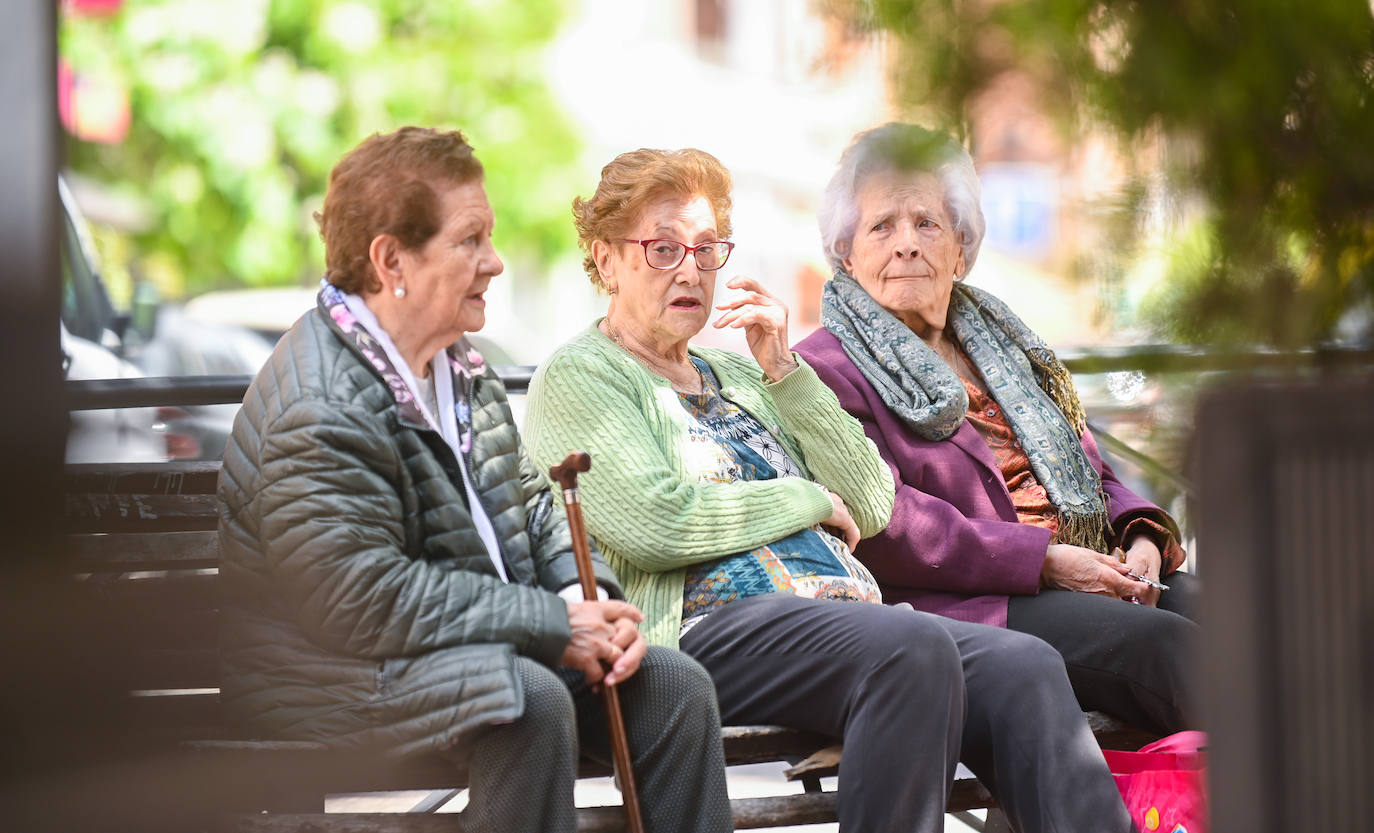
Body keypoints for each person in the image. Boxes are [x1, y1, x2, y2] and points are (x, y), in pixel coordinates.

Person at [525, 147, 1134, 833]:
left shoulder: (744, 372)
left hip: (834, 617)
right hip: (700, 626)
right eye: (663, 248)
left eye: (706, 249)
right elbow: (657, 522)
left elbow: (871, 500)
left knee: (1022, 665)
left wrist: (787, 370)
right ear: (606, 259)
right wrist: (807, 501)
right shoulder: (582, 373)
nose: (691, 268)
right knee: (911, 650)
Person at [217, 127, 731, 833]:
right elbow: (362, 599)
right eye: (469, 241)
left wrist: (590, 604)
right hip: (326, 675)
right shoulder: (320, 403)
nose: (493, 262)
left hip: (472, 647)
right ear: (390, 259)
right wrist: (551, 625)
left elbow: (533, 504)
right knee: (527, 699)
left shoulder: (459, 367)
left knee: (673, 684)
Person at [794, 122, 1201, 736]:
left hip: (1095, 566)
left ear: (961, 247)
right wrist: (1045, 561)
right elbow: (889, 525)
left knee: (1256, 626)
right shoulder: (823, 368)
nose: (906, 244)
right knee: (1177, 652)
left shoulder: (1003, 346)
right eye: (882, 225)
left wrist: (1142, 538)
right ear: (847, 254)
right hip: (983, 602)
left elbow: (1090, 469)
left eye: (927, 223)